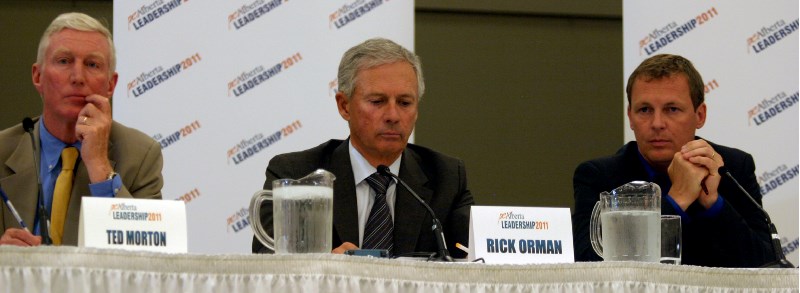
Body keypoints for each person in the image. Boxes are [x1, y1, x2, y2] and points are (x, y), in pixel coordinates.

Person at [252, 38, 474, 258]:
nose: (393, 116)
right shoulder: (296, 173)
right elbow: (266, 258)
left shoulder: (446, 178)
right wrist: (324, 264)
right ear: (344, 105)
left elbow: (475, 257)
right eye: (377, 101)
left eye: (405, 103)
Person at [571, 54, 773, 267]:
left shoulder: (732, 167)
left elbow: (770, 266)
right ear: (630, 117)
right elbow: (588, 264)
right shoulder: (599, 176)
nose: (657, 123)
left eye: (672, 109)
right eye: (645, 110)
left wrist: (715, 205)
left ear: (700, 115)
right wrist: (677, 200)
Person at [0, 13, 164, 246]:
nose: (77, 77)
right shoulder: (2, 150)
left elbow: (146, 259)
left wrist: (99, 164)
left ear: (111, 85)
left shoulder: (141, 156)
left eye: (92, 64)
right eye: (64, 61)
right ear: (38, 76)